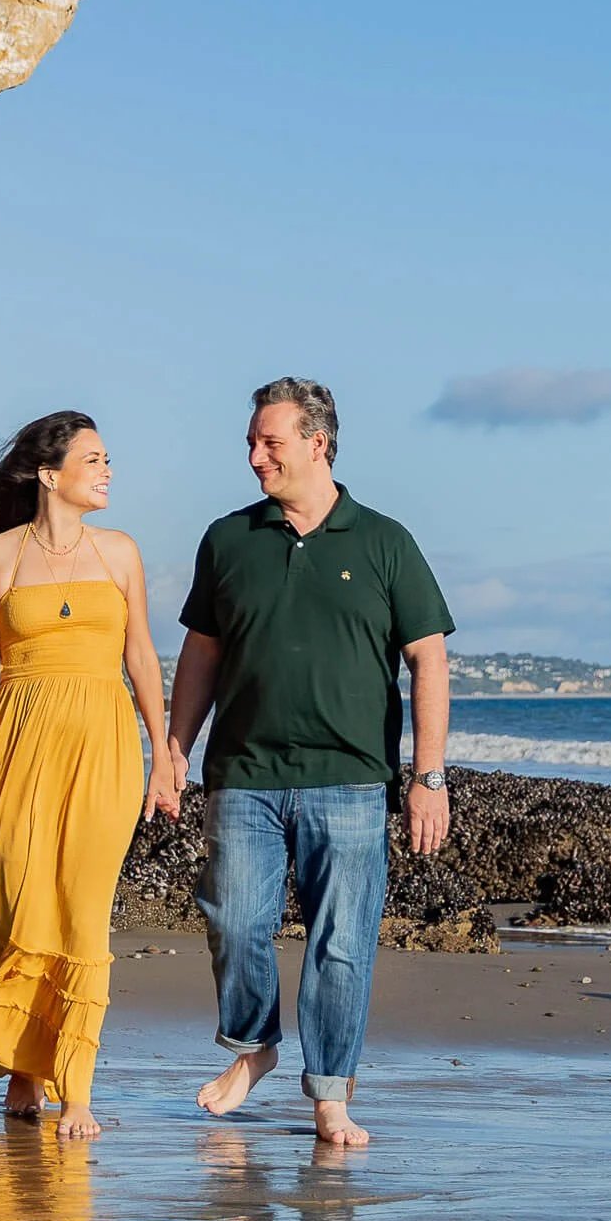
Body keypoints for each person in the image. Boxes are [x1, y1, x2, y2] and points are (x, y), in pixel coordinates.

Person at [166, 378, 453, 1149]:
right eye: (252, 444)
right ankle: (253, 1047)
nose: (257, 457)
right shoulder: (228, 539)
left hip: (352, 780)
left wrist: (428, 778)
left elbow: (428, 659)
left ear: (316, 444)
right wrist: (172, 748)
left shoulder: (383, 540)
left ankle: (329, 1094)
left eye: (271, 443)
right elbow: (200, 652)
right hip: (244, 774)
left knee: (340, 943)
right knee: (232, 919)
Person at [0, 411, 181, 1141]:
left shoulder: (120, 553)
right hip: (13, 740)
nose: (107, 471)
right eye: (93, 460)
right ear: (50, 474)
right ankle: (21, 1067)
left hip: (102, 746)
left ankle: (75, 1089)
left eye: (108, 460)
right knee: (18, 893)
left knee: (79, 907)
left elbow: (140, 656)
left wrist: (162, 753)